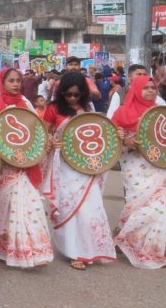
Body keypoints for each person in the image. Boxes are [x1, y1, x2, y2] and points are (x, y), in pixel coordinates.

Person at [40, 72, 116, 271]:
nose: (72, 98)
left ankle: (89, 249)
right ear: (61, 92)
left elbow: (99, 134)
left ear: (83, 93)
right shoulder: (53, 109)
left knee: (90, 208)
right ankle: (75, 252)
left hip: (85, 166)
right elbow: (43, 135)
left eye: (76, 94)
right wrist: (51, 142)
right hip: (64, 166)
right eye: (68, 94)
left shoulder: (88, 108)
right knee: (69, 210)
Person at [0, 69, 54, 268]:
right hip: (2, 168)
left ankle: (33, 250)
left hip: (23, 167)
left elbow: (35, 131)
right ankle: (4, 248)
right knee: (5, 209)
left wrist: (45, 143)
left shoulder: (26, 105)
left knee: (30, 204)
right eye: (11, 81)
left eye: (18, 81)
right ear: (2, 82)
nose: (16, 84)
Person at [111, 76, 166, 269]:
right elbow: (111, 138)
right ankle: (132, 243)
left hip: (158, 166)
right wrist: (126, 141)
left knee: (159, 207)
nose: (150, 91)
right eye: (146, 88)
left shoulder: (160, 113)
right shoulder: (122, 113)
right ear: (135, 89)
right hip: (134, 164)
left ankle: (153, 251)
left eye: (153, 87)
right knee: (139, 205)